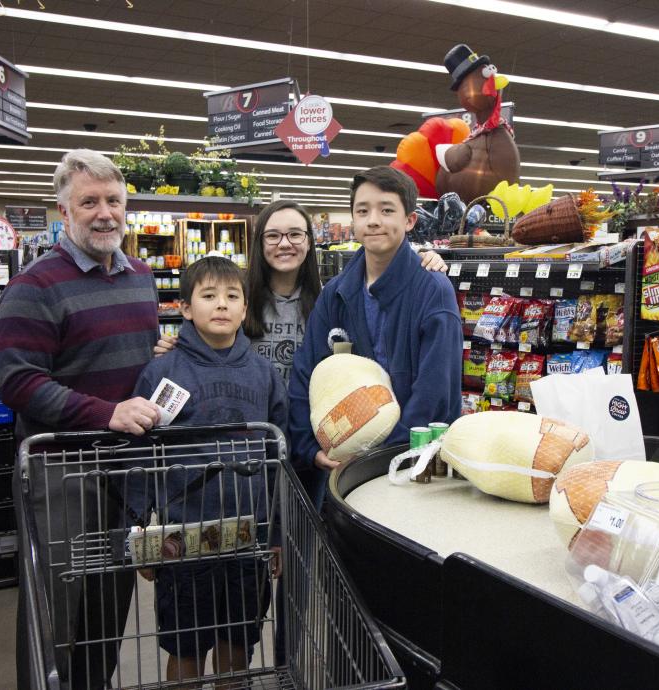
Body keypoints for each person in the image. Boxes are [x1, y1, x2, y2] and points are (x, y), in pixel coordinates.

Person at [0, 148, 163, 689]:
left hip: (126, 471)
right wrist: (106, 413)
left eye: (113, 200)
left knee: (110, 604)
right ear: (64, 211)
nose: (104, 213)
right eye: (88, 202)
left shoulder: (141, 276)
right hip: (63, 473)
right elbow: (18, 382)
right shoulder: (35, 285)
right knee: (56, 607)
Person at [129, 256, 288, 684]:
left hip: (247, 537)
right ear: (184, 308)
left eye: (232, 296)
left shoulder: (264, 374)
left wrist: (275, 534)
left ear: (245, 308)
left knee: (237, 641)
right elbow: (141, 454)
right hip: (183, 539)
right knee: (186, 643)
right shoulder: (162, 371)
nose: (221, 305)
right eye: (209, 295)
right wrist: (140, 528)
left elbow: (277, 460)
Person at [288, 166, 463, 508]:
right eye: (362, 210)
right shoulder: (336, 293)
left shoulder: (433, 291)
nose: (373, 221)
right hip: (344, 470)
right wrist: (310, 446)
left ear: (410, 220)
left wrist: (380, 457)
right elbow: (306, 372)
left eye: (386, 210)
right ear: (353, 219)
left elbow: (435, 391)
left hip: (415, 466)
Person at [155, 200, 448, 384]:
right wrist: (178, 348)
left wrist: (422, 260)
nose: (285, 243)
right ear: (260, 243)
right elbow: (205, 345)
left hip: (313, 432)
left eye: (295, 234)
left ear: (309, 242)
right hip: (253, 428)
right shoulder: (235, 299)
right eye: (273, 235)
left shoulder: (333, 300)